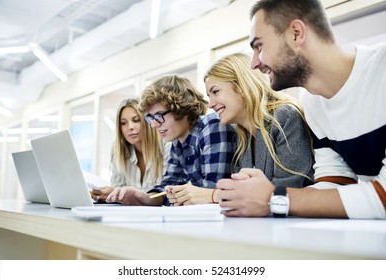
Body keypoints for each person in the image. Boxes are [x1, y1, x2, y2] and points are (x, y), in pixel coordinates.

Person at [217, 0, 386, 219]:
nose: (254, 64)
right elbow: (336, 183)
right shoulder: (314, 102)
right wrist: (257, 196)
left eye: (259, 46)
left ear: (296, 33)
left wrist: (275, 198)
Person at [106, 75, 236, 206]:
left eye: (159, 116)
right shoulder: (177, 143)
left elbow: (211, 194)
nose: (154, 125)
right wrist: (141, 197)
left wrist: (182, 197)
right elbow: (167, 189)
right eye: (150, 118)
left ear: (181, 108)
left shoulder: (211, 126)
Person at [204, 52, 314, 191]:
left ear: (242, 86)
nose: (210, 104)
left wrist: (214, 195)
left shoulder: (284, 117)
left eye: (215, 92)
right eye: (209, 96)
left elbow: (288, 188)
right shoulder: (243, 136)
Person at [91, 98, 170, 201]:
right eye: (123, 123)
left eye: (136, 120)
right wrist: (112, 193)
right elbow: (118, 186)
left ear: (148, 121)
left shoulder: (167, 147)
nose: (130, 127)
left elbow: (166, 194)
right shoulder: (119, 151)